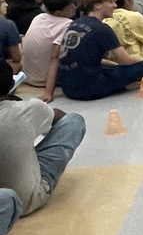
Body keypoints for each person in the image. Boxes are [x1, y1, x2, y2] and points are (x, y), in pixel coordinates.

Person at [0, 58, 86, 218]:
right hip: (28, 200)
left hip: (4, 202)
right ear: (11, 85)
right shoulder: (27, 109)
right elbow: (61, 117)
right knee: (74, 121)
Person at [57, 0, 143, 100]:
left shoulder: (75, 23)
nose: (115, 5)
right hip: (89, 89)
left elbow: (83, 57)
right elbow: (127, 60)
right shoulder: (102, 29)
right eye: (111, 2)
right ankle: (126, 84)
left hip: (68, 88)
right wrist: (142, 62)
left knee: (108, 67)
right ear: (97, 5)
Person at [21, 0, 78, 103]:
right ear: (58, 13)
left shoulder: (38, 17)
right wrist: (48, 92)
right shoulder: (67, 24)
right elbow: (54, 57)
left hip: (26, 76)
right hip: (44, 80)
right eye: (71, 7)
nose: (75, 8)